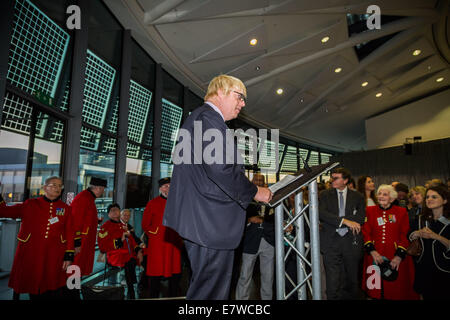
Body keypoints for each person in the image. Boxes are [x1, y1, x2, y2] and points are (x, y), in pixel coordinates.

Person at [162, 74, 272, 300]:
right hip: (209, 223)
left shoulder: (199, 118)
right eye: (239, 96)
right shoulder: (208, 118)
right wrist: (255, 191)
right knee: (210, 294)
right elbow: (220, 168)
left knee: (205, 290)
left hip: (204, 222)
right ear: (220, 91)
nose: (242, 103)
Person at [0, 176, 74, 300]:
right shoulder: (30, 204)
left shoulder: (65, 208)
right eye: (54, 185)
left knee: (51, 285)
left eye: (60, 186)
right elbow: (4, 211)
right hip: (31, 252)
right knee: (33, 284)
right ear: (45, 188)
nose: (57, 188)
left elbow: (69, 232)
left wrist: (69, 254)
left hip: (54, 254)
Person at [361, 185, 419, 300]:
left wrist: (398, 256)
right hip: (374, 255)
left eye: (385, 194)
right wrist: (372, 251)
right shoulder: (369, 210)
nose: (381, 196)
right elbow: (365, 232)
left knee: (395, 291)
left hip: (395, 256)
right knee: (374, 290)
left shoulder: (401, 212)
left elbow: (404, 234)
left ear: (392, 199)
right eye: (379, 194)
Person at [319, 167, 365, 300]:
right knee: (332, 282)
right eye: (332, 177)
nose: (332, 180)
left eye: (336, 178)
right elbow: (322, 214)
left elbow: (360, 218)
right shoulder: (324, 195)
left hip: (351, 242)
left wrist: (346, 220)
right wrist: (345, 221)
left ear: (345, 180)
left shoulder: (358, 197)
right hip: (330, 243)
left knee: (351, 280)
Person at [235, 173, 275, 300]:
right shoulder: (245, 198)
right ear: (251, 182)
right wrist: (249, 220)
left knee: (268, 277)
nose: (258, 182)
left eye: (260, 180)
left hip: (269, 241)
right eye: (256, 180)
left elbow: (276, 219)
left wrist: (265, 222)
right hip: (250, 242)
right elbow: (236, 218)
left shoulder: (271, 199)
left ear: (264, 184)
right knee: (245, 275)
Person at [142, 177, 183, 298]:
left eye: (170, 186)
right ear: (160, 189)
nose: (168, 189)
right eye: (165, 186)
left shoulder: (178, 202)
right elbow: (145, 224)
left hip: (174, 243)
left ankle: (173, 296)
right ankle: (153, 297)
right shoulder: (152, 203)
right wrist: (155, 233)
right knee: (155, 272)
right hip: (158, 244)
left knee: (175, 272)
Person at [409, 186, 450, 300]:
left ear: (445, 200)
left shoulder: (448, 221)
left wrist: (435, 236)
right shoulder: (420, 219)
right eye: (427, 197)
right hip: (423, 268)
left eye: (434, 197)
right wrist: (416, 233)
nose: (429, 199)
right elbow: (409, 236)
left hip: (444, 269)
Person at [98, 203, 143, 299]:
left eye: (116, 210)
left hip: (128, 255)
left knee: (140, 258)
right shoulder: (105, 227)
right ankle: (131, 291)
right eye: (112, 210)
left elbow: (132, 240)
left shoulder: (123, 226)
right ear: (109, 214)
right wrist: (120, 240)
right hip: (115, 256)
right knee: (129, 262)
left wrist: (138, 250)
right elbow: (102, 247)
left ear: (119, 212)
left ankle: (136, 288)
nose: (115, 212)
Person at [71, 177, 107, 278]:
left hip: (85, 241)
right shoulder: (83, 198)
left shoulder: (88, 197)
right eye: (103, 189)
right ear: (99, 188)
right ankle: (71, 291)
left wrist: (96, 221)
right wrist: (76, 242)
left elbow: (85, 218)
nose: (103, 192)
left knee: (79, 268)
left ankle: (74, 290)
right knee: (75, 268)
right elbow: (75, 221)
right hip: (81, 242)